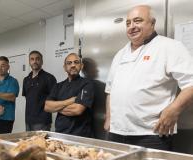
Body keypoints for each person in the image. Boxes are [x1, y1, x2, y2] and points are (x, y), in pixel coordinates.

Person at [104, 5, 193, 150]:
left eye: (137, 21)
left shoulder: (169, 47)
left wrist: (174, 110)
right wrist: (109, 118)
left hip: (152, 134)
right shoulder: (120, 54)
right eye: (128, 23)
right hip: (116, 132)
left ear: (152, 23)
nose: (132, 26)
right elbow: (110, 90)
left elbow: (191, 83)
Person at [45, 53, 94, 137]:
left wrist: (56, 107)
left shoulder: (87, 84)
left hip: (80, 135)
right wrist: (70, 101)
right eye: (69, 63)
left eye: (76, 62)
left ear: (81, 66)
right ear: (64, 67)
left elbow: (77, 110)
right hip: (60, 134)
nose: (73, 65)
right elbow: (47, 106)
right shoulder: (58, 86)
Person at [22, 50, 56, 131]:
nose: (35, 61)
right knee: (29, 143)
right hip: (28, 120)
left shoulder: (49, 78)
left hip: (42, 121)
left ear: (42, 61)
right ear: (29, 62)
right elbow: (28, 97)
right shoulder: (26, 79)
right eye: (32, 59)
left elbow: (54, 99)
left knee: (41, 143)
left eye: (37, 59)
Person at [81, 57, 107, 139]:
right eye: (94, 68)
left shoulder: (79, 85)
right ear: (85, 70)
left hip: (89, 126)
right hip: (96, 126)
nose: (97, 70)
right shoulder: (102, 86)